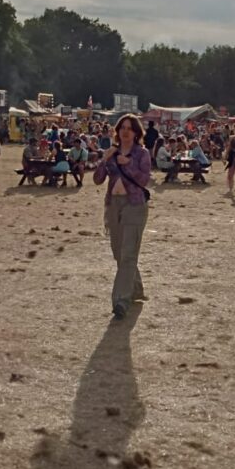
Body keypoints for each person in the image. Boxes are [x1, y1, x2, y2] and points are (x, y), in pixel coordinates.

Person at [93, 114, 151, 320]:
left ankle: (121, 300)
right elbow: (98, 180)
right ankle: (135, 288)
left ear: (136, 133)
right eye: (122, 128)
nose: (125, 131)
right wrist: (104, 160)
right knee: (119, 253)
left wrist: (129, 164)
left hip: (134, 205)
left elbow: (144, 179)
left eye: (130, 128)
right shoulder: (112, 152)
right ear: (117, 131)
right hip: (113, 206)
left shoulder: (142, 153)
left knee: (128, 254)